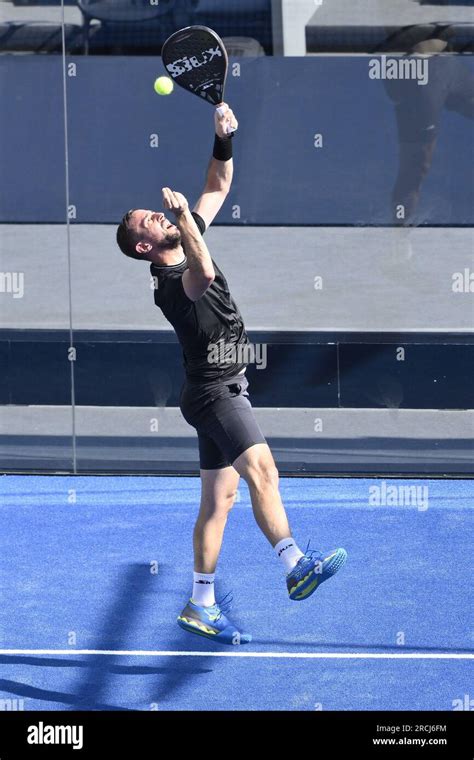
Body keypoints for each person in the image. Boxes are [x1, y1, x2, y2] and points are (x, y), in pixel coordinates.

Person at [116, 103, 347, 645]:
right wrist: (185, 224)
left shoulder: (183, 236)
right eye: (149, 220)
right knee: (262, 469)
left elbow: (217, 187)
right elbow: (204, 268)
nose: (157, 214)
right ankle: (295, 565)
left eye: (155, 213)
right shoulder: (175, 283)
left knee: (217, 503)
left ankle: (200, 604)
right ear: (146, 246)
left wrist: (224, 138)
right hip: (217, 393)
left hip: (209, 390)